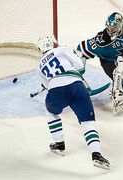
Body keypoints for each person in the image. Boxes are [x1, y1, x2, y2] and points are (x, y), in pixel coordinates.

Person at [37, 36, 110, 170]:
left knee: (50, 111)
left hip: (56, 90)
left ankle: (59, 143)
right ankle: (96, 154)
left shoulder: (39, 66)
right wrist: (71, 55)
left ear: (40, 49)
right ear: (52, 45)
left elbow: (47, 85)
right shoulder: (63, 49)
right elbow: (81, 67)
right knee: (88, 122)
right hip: (76, 87)